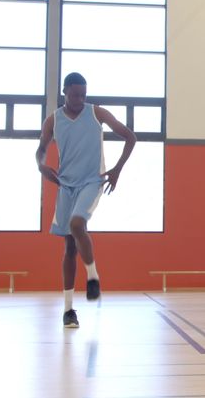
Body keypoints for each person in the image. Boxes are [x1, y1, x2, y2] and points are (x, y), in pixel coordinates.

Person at [36, 72, 136, 329]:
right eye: (75, 95)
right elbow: (41, 150)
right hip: (65, 185)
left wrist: (117, 169)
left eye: (83, 95)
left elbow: (130, 137)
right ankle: (69, 310)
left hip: (92, 181)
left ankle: (92, 277)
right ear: (64, 93)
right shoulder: (53, 120)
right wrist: (41, 165)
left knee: (78, 224)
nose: (79, 99)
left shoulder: (97, 113)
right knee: (69, 248)